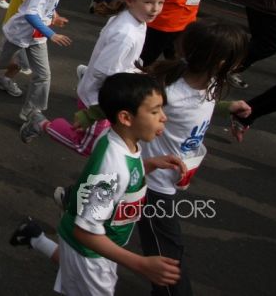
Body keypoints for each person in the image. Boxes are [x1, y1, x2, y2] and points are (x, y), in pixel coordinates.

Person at [10, 73, 184, 296]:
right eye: (155, 111)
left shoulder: (120, 141)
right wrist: (141, 264)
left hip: (96, 246)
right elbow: (85, 232)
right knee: (78, 271)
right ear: (126, 118)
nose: (164, 118)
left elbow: (121, 183)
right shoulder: (113, 167)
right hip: (91, 251)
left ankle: (34, 237)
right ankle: (35, 238)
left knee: (73, 267)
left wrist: (149, 165)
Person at [139, 21, 250, 295]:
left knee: (112, 215)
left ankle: (77, 198)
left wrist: (228, 107)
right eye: (238, 59)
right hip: (152, 185)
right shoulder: (170, 93)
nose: (240, 64)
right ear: (221, 62)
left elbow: (199, 106)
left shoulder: (208, 82)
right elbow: (122, 115)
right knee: (168, 257)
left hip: (168, 179)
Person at [21, 0, 166, 152]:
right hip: (99, 97)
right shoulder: (126, 34)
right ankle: (40, 123)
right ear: (130, 0)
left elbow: (117, 63)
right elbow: (106, 74)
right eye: (149, 2)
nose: (155, 9)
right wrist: (95, 111)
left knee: (106, 143)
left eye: (160, 3)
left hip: (108, 92)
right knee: (85, 146)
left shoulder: (137, 20)